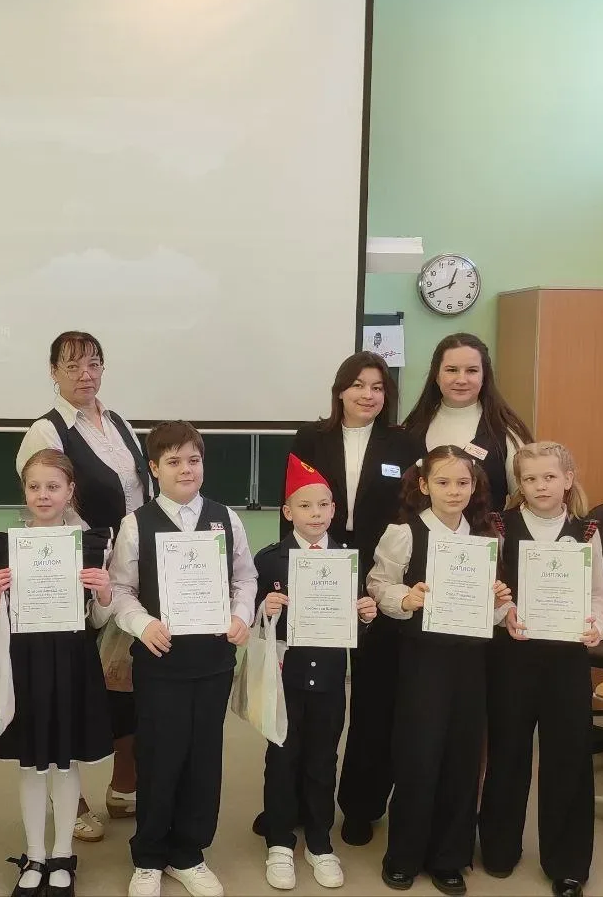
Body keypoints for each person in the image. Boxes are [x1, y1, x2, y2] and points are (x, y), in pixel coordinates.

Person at [272, 350, 414, 847]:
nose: (367, 394)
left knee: (374, 698)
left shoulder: (403, 442)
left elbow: (410, 512)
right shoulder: (311, 438)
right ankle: (291, 804)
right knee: (307, 696)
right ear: (340, 390)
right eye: (357, 384)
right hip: (317, 571)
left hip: (379, 576)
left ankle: (360, 804)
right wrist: (287, 574)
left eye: (377, 386)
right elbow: (290, 508)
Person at [16, 330, 154, 841]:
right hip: (77, 573)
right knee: (72, 684)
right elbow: (51, 501)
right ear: (53, 372)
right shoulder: (45, 430)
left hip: (130, 568)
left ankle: (124, 785)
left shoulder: (119, 423)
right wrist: (95, 557)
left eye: (93, 364)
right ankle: (70, 802)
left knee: (127, 678)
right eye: (72, 366)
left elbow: (141, 492)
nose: (85, 375)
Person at [108, 421, 256, 897]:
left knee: (203, 757)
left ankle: (188, 853)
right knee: (159, 756)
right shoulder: (136, 524)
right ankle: (149, 855)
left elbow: (246, 578)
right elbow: (122, 590)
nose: (185, 469)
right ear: (154, 468)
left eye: (193, 460)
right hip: (161, 663)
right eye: (173, 461)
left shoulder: (225, 518)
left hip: (213, 662)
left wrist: (241, 615)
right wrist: (142, 624)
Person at [366, 445, 511, 897]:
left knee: (462, 757)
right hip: (422, 660)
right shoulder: (404, 532)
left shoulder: (485, 537)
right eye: (443, 482)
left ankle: (449, 858)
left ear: (475, 486)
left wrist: (499, 602)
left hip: (470, 661)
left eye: (463, 483)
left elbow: (491, 612)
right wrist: (404, 598)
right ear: (424, 485)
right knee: (419, 755)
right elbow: (378, 583)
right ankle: (403, 856)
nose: (454, 491)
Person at [478, 442, 603, 897]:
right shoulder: (499, 526)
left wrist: (597, 626)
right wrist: (505, 614)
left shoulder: (586, 531)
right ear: (520, 484)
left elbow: (597, 594)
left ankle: (567, 862)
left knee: (568, 756)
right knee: (508, 752)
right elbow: (487, 589)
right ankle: (498, 847)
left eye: (549, 477)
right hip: (512, 656)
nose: (540, 486)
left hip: (566, 661)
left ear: (568, 479)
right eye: (530, 479)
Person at [0, 449, 117, 897]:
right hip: (25, 663)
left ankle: (62, 854)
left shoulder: (91, 545)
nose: (43, 495)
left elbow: (98, 620)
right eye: (34, 486)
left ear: (70, 490)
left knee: (64, 761)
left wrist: (104, 595)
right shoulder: (5, 547)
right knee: (31, 763)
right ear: (24, 491)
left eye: (53, 486)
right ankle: (35, 854)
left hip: (71, 661)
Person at [256, 454, 378, 891]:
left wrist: (366, 615)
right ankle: (279, 841)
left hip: (329, 678)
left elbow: (356, 617)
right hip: (284, 678)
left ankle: (320, 842)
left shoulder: (347, 559)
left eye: (323, 505)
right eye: (305, 506)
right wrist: (265, 609)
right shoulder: (270, 560)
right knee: (282, 757)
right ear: (288, 512)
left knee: (324, 757)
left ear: (334, 510)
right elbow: (253, 622)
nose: (316, 514)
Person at [401, 333, 532, 512]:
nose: (461, 380)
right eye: (452, 370)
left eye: (471, 371)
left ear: (484, 376)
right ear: (436, 376)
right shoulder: (412, 429)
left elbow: (526, 499)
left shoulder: (506, 431)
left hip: (486, 530)